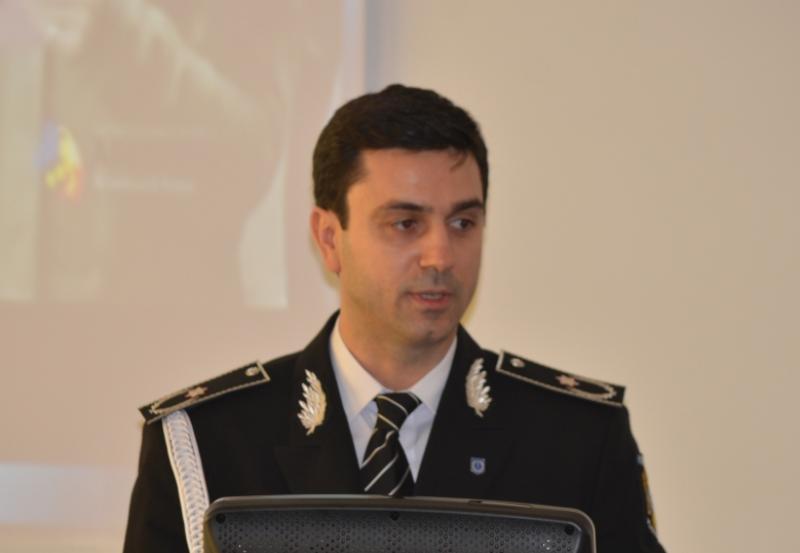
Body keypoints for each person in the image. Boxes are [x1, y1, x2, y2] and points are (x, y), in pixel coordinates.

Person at [123, 84, 667, 553]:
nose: (441, 256)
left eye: (463, 223)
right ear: (329, 239)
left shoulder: (577, 439)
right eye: (406, 224)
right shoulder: (210, 442)